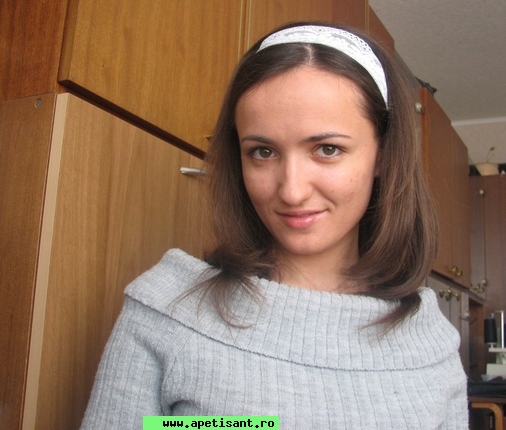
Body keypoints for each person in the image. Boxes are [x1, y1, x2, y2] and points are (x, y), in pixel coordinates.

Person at [81, 23, 468, 429]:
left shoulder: (432, 345)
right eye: (263, 152)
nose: (292, 191)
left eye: (327, 149)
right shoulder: (168, 311)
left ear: (384, 156)